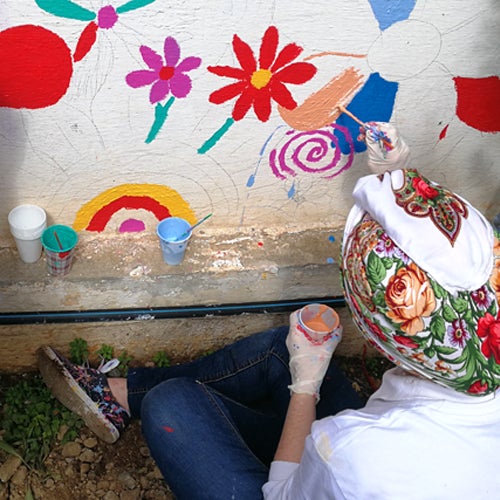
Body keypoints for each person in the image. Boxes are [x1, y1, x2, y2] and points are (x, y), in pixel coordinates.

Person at [38, 122, 500, 499]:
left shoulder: (357, 456)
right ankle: (115, 395)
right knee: (280, 350)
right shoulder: (471, 334)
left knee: (171, 403)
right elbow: (448, 268)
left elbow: (283, 493)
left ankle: (131, 397)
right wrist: (396, 182)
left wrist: (306, 386)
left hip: (322, 484)